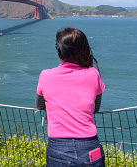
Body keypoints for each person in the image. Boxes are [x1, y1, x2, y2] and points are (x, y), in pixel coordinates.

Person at [36, 28, 105, 166]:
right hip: (90, 147)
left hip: (58, 148)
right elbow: (95, 108)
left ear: (60, 53)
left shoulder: (46, 75)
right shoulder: (93, 74)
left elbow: (40, 105)